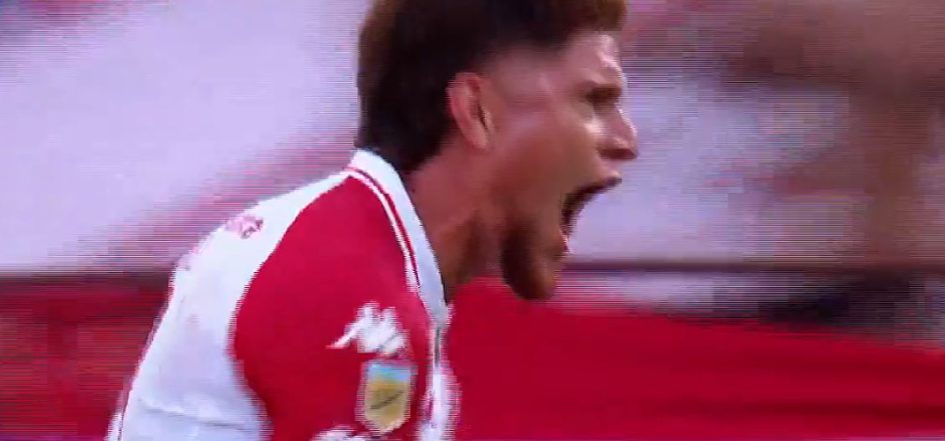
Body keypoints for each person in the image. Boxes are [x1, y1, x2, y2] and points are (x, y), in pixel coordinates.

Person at [107, 0, 637, 440]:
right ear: (477, 111)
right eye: (593, 101)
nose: (625, 140)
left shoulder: (359, 261)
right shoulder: (346, 292)